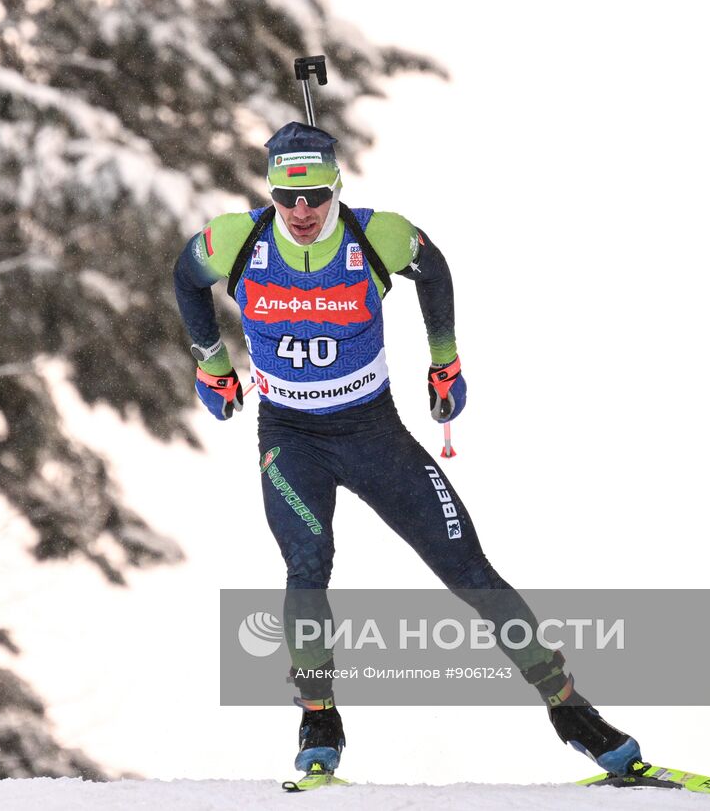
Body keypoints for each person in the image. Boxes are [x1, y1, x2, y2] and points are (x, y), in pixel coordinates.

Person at [172, 122, 641, 783]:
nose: (301, 212)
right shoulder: (235, 239)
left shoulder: (376, 235)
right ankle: (318, 718)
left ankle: (572, 711)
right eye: (287, 198)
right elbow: (186, 277)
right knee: (307, 564)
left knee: (467, 568)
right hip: (292, 439)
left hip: (374, 434)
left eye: (315, 197)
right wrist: (211, 363)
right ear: (270, 192)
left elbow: (434, 269)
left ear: (336, 188)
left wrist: (445, 362)